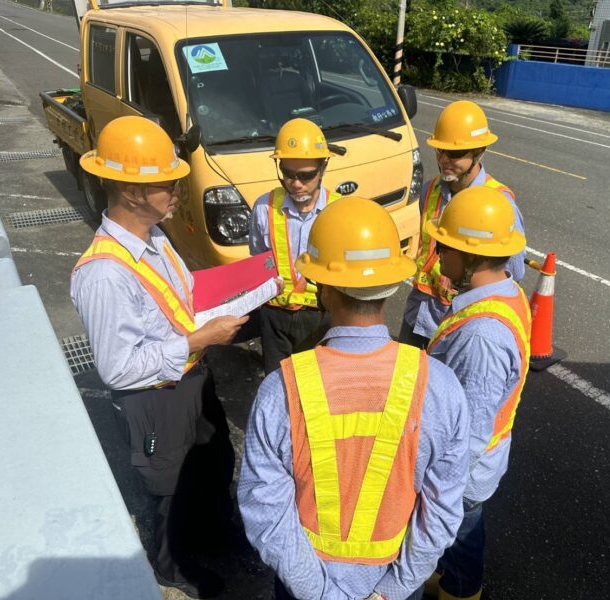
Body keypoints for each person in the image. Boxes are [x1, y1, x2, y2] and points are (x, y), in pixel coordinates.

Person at [238, 197, 470, 600]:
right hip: (394, 586)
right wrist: (391, 590)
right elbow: (442, 513)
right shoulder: (441, 386)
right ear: (391, 284)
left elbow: (266, 513)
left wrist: (322, 594)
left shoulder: (281, 390)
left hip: (306, 588)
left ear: (324, 288)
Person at [70, 116, 245, 599]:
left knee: (211, 459)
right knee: (168, 485)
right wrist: (196, 339)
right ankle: (173, 565)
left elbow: (178, 299)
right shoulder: (104, 274)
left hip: (191, 376)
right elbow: (117, 368)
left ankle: (215, 533)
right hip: (154, 397)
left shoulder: (156, 236)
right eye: (167, 183)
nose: (176, 190)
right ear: (132, 193)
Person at [423, 186, 531, 600]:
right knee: (459, 535)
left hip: (465, 472)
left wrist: (439, 487)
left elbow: (469, 428)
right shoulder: (506, 291)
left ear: (470, 255)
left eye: (443, 246)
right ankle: (452, 576)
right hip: (481, 461)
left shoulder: (481, 337)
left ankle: (462, 592)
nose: (437, 255)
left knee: (463, 535)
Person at [400, 100, 526, 348]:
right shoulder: (430, 189)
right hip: (418, 314)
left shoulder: (498, 204)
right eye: (440, 151)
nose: (444, 159)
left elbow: (513, 272)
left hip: (457, 322)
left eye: (455, 154)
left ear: (479, 152)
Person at [249, 118, 341, 375]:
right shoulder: (264, 207)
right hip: (274, 316)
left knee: (319, 384)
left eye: (306, 175)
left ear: (323, 168)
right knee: (277, 382)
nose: (296, 184)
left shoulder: (339, 211)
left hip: (321, 317)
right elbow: (258, 259)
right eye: (288, 174)